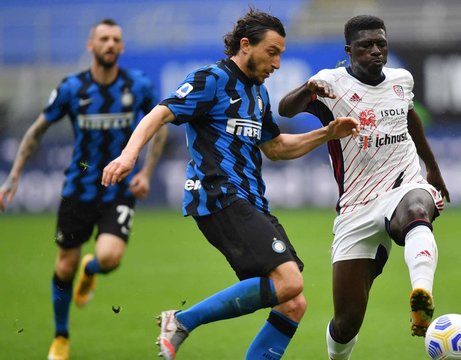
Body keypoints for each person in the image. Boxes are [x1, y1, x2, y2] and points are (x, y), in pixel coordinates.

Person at [101, 7, 360, 360]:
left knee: (293, 303)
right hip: (218, 194)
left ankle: (184, 323)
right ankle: (181, 321)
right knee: (290, 283)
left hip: (252, 202)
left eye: (281, 54)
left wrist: (326, 133)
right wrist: (129, 156)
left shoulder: (258, 95)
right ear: (245, 45)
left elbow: (277, 148)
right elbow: (160, 112)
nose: (278, 63)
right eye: (272, 52)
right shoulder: (211, 80)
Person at [278, 15, 450, 360]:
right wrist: (308, 90)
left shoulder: (402, 80)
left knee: (417, 210)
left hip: (403, 185)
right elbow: (285, 108)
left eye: (381, 44)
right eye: (366, 45)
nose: (375, 51)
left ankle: (421, 294)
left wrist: (431, 168)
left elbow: (409, 116)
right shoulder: (330, 83)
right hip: (355, 207)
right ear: (349, 50)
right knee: (346, 323)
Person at [0, 18, 167, 360]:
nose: (110, 44)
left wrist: (147, 171)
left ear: (121, 47)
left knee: (109, 257)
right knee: (64, 267)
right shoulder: (72, 88)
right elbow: (36, 131)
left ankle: (91, 271)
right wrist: (13, 176)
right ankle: (61, 336)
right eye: (103, 38)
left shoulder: (138, 85)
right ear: (91, 45)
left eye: (116, 39)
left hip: (118, 188)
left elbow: (160, 124)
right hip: (78, 189)